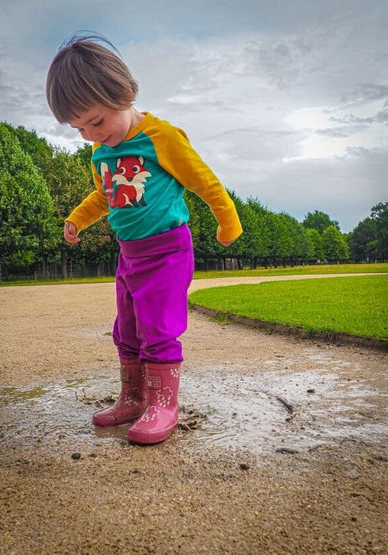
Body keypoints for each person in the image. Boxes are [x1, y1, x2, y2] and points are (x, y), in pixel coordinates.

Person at [46, 34, 243, 445]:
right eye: (79, 128)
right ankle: (133, 397)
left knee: (158, 327)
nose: (90, 136)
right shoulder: (102, 150)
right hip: (129, 255)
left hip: (167, 251)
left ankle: (162, 404)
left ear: (123, 93)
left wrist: (228, 222)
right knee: (127, 328)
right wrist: (78, 219)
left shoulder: (163, 137)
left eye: (96, 122)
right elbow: (106, 193)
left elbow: (205, 183)